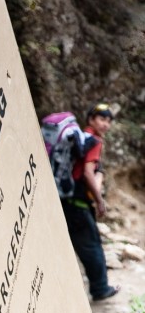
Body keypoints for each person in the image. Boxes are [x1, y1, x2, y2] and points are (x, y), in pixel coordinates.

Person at [61, 103, 119, 302]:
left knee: (79, 244)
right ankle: (100, 289)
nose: (106, 124)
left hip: (66, 200)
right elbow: (87, 172)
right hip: (78, 203)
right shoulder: (93, 141)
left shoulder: (79, 138)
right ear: (91, 120)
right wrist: (100, 201)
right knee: (92, 245)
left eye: (109, 120)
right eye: (102, 119)